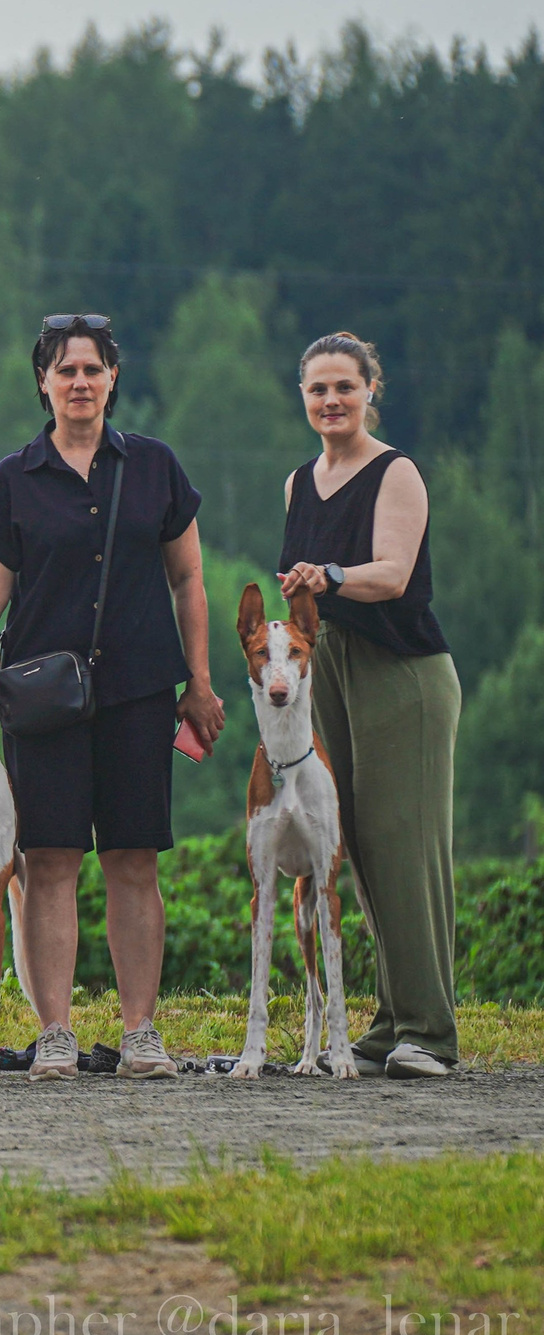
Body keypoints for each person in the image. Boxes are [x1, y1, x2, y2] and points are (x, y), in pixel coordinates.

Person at [0, 313, 226, 1081]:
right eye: (65, 370)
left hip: (139, 687)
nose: (79, 382)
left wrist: (198, 680)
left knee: (134, 860)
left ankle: (141, 1033)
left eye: (92, 369)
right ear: (43, 381)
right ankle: (57, 1031)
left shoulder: (156, 467)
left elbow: (188, 579)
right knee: (51, 858)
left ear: (113, 379)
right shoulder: (14, 478)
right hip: (44, 696)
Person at [277, 331, 459, 1079]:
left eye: (344, 387)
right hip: (331, 669)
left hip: (403, 673)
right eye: (318, 389)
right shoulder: (298, 480)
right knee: (352, 840)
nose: (331, 401)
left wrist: (331, 574)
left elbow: (392, 574)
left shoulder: (397, 472)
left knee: (403, 843)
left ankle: (431, 1030)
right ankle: (387, 1025)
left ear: (370, 391)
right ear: (304, 397)